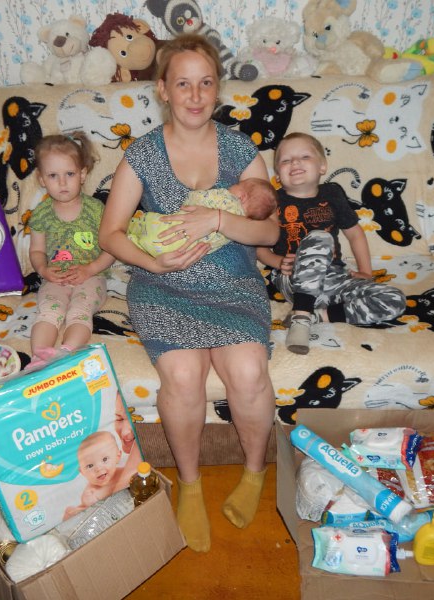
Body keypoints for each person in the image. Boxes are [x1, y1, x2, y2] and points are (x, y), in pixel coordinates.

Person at [98, 33, 279, 553]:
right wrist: (152, 261)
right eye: (183, 84)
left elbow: (269, 231)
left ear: (218, 88)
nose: (195, 96)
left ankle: (254, 471)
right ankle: (191, 484)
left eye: (206, 83)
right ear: (163, 89)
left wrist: (218, 220)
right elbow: (111, 234)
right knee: (181, 376)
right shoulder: (143, 154)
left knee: (248, 371)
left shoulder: (240, 149)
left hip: (232, 281)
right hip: (164, 284)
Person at [257, 132, 406, 355]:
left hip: (335, 279)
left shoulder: (333, 193)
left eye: (304, 157)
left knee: (395, 299)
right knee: (321, 237)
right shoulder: (274, 200)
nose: (295, 162)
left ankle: (318, 316)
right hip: (294, 278)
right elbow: (259, 245)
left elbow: (355, 234)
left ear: (322, 167)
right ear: (278, 175)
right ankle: (301, 317)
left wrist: (366, 271)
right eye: (286, 160)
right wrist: (277, 262)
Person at [26, 132, 115, 369]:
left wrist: (90, 269)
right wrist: (44, 270)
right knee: (48, 311)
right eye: (53, 175)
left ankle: (66, 353)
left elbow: (112, 248)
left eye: (70, 174)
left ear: (82, 174)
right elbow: (37, 250)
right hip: (55, 277)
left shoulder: (96, 210)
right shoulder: (41, 214)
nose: (62, 183)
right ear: (41, 179)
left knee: (79, 310)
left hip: (91, 276)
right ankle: (39, 359)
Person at [126, 177, 276, 256]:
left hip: (169, 230)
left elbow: (197, 198)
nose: (232, 186)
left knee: (147, 221)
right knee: (148, 243)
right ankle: (136, 241)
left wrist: (189, 198)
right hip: (180, 252)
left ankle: (133, 230)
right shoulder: (239, 228)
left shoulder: (226, 198)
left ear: (242, 196)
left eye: (237, 185)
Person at [63, 431, 133, 520]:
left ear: (117, 456)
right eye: (90, 466)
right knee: (78, 513)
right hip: (106, 515)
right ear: (82, 472)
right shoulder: (91, 492)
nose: (98, 468)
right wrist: (89, 503)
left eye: (105, 459)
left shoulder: (124, 473)